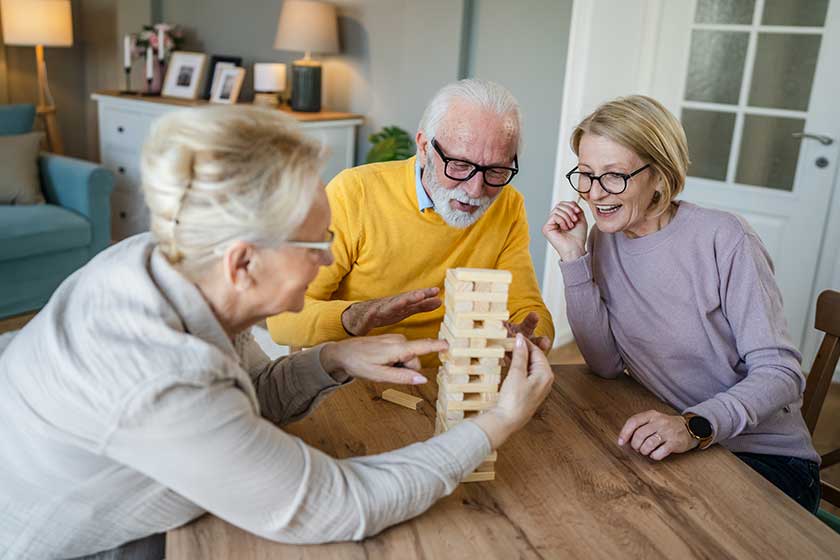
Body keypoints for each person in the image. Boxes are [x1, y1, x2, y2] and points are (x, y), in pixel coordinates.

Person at [0, 106, 555, 559]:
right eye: (317, 244)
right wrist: (497, 421)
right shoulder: (161, 382)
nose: (332, 258)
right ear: (243, 264)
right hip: (80, 544)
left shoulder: (166, 261)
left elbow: (241, 399)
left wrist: (333, 357)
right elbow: (340, 504)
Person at [542, 95, 821, 512]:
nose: (594, 193)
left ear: (660, 176)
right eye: (584, 174)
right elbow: (604, 364)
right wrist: (573, 258)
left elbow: (781, 374)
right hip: (681, 441)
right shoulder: (603, 239)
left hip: (764, 457)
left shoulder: (724, 239)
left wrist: (693, 426)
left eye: (614, 176)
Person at [267, 79, 554, 364]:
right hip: (359, 379)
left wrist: (529, 338)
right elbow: (281, 319)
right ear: (424, 148)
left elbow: (526, 307)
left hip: (451, 383)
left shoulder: (509, 205)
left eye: (496, 171)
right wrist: (353, 316)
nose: (475, 189)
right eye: (460, 165)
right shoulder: (355, 193)